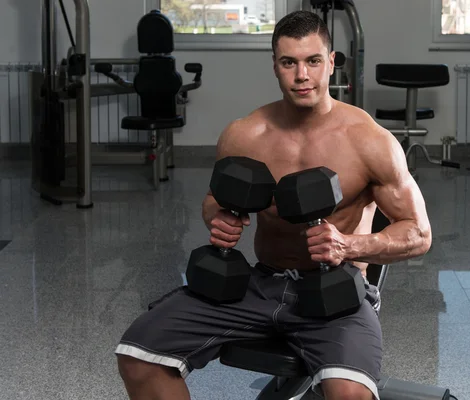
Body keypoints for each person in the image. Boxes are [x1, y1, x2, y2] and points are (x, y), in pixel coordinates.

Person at [115, 10, 431, 400]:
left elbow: (418, 233)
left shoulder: (369, 140)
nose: (302, 75)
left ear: (332, 63)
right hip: (258, 283)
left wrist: (350, 245)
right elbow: (215, 201)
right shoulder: (244, 135)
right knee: (138, 353)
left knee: (350, 393)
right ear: (275, 66)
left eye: (313, 61)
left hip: (337, 290)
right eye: (289, 62)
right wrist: (219, 219)